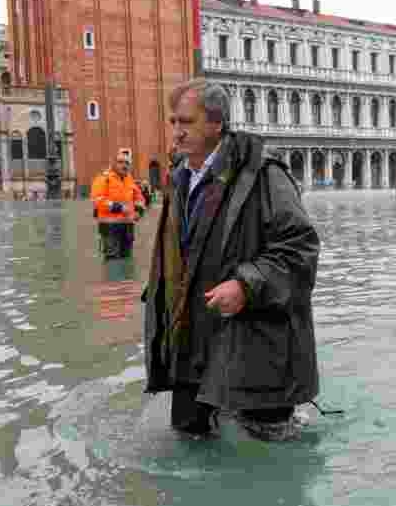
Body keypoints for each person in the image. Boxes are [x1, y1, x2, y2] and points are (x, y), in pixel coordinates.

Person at [142, 78, 321, 442]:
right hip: (190, 342)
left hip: (254, 346)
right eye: (173, 121)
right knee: (189, 438)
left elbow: (301, 249)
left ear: (216, 123)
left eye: (186, 122)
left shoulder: (264, 175)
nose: (176, 132)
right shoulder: (180, 178)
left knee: (268, 455)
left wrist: (246, 285)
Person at [91, 150, 146, 259]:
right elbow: (97, 200)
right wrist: (119, 207)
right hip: (110, 227)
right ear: (114, 164)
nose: (124, 165)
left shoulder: (130, 180)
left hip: (127, 227)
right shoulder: (103, 178)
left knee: (127, 259)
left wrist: (139, 211)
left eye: (127, 163)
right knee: (113, 261)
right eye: (120, 162)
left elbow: (139, 198)